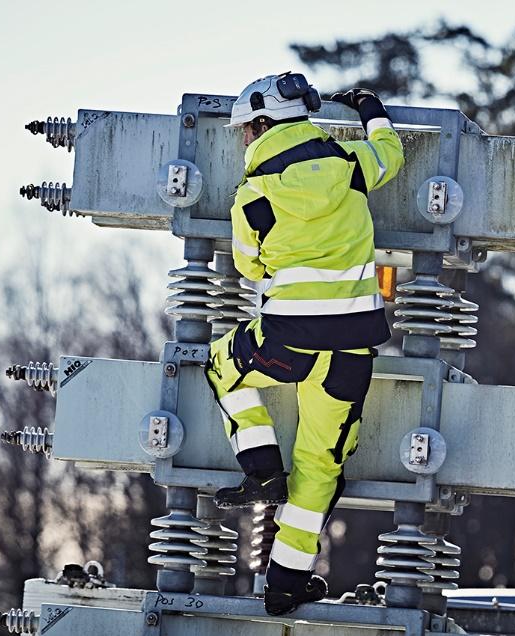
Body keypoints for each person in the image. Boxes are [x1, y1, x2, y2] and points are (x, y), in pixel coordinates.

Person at [205, 72, 405, 616]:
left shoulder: (253, 193)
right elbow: (391, 152)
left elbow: (249, 265)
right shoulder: (350, 166)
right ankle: (285, 586)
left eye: (245, 130)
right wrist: (370, 108)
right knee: (321, 468)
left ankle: (262, 468)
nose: (243, 140)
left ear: (263, 124)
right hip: (352, 348)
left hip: (286, 341)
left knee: (222, 368)